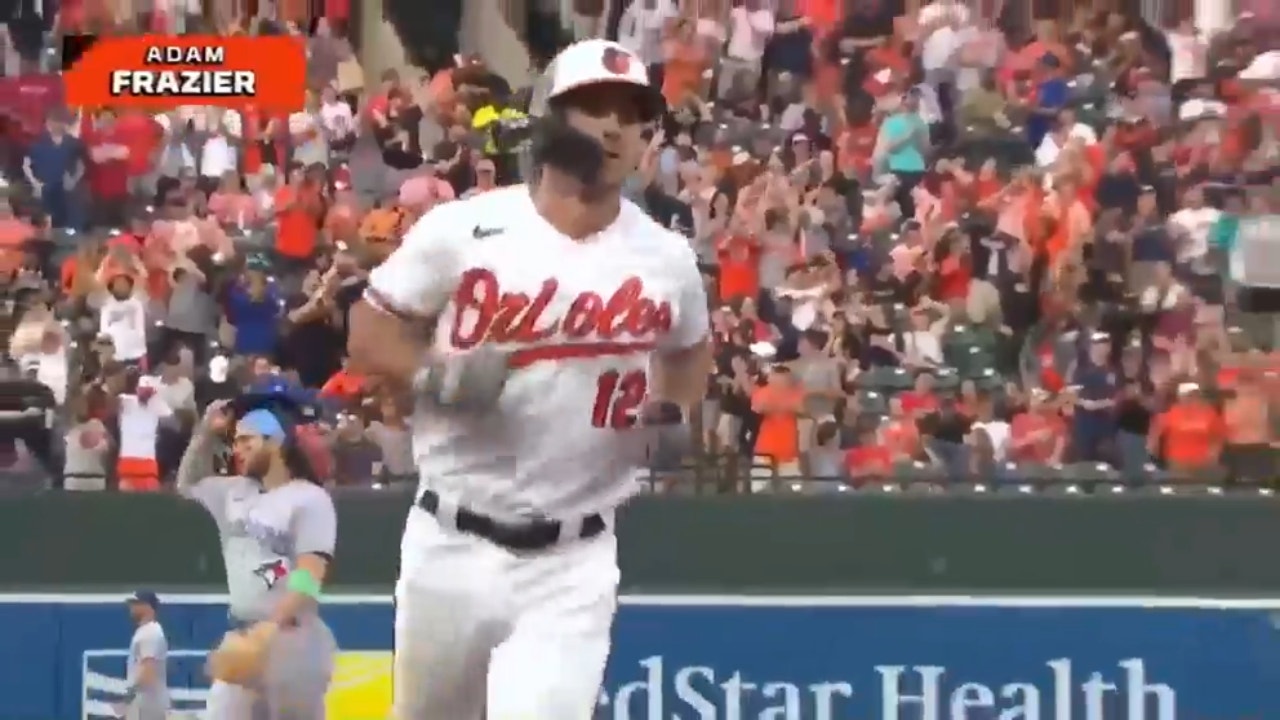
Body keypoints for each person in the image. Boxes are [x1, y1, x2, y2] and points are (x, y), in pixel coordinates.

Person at [348, 38, 711, 719]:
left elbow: (690, 350)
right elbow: (368, 333)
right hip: (450, 538)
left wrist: (674, 410)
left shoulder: (666, 258)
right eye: (590, 108)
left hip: (574, 559)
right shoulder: (464, 228)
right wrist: (433, 376)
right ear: (547, 118)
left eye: (630, 115)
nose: (611, 127)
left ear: (646, 139)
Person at [173, 393, 337, 718]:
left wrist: (270, 631)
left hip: (293, 639)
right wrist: (205, 432)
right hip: (244, 631)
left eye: (247, 440)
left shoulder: (309, 497)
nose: (237, 448)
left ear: (275, 441)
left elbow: (309, 575)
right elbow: (187, 483)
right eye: (235, 441)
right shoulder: (233, 491)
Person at [118, 590, 169, 720]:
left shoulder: (150, 632)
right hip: (146, 703)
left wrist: (128, 697)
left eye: (135, 603)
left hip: (147, 704)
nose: (131, 607)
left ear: (147, 606)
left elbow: (148, 670)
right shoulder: (146, 631)